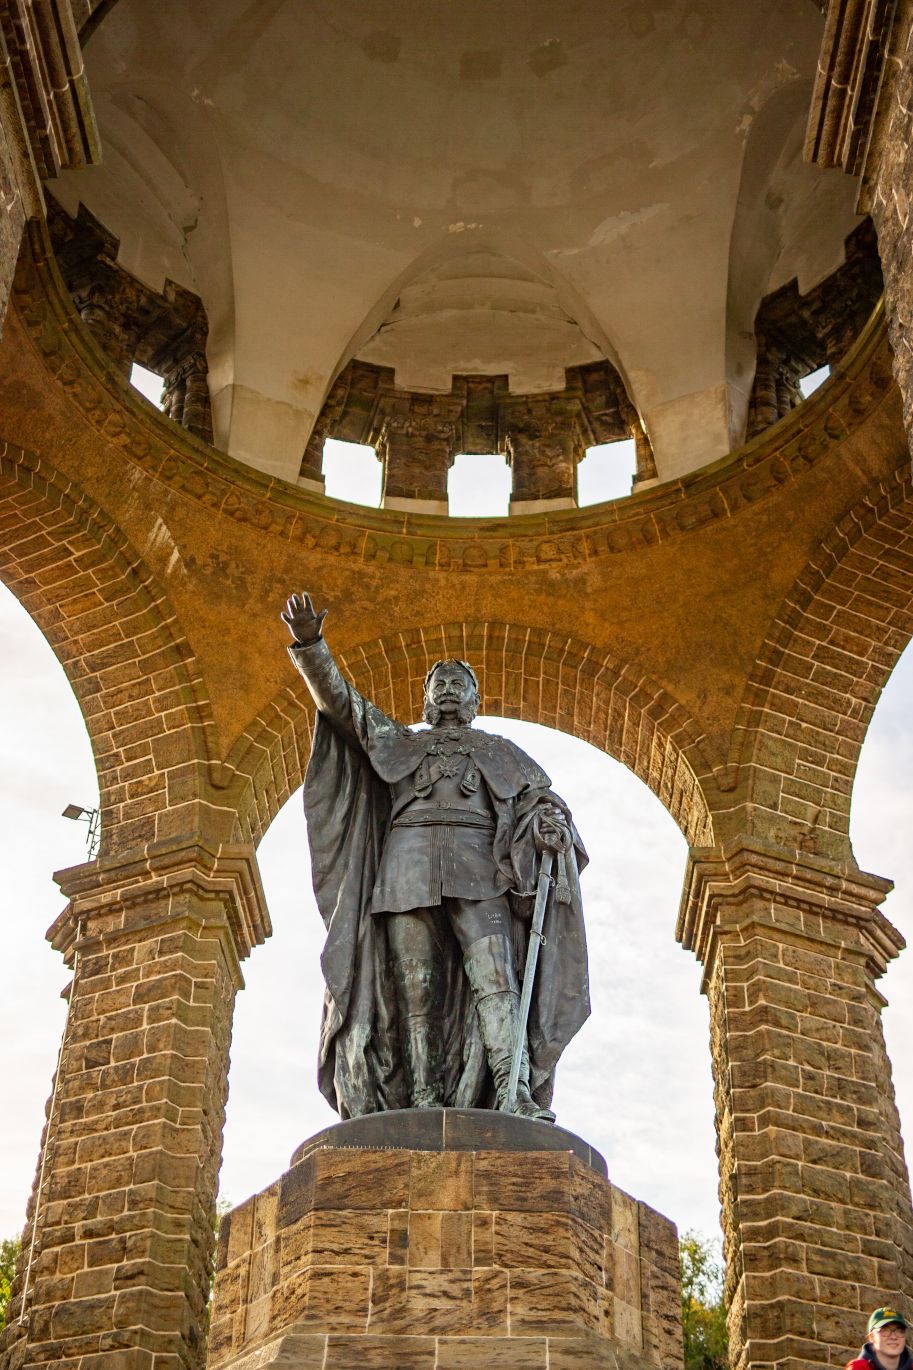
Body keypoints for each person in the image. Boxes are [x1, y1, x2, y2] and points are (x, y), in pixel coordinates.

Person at [282, 591, 590, 1123]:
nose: (449, 689)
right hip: (406, 869)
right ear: (425, 700)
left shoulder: (501, 751)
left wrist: (549, 821)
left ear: (475, 699)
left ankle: (513, 1091)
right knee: (413, 990)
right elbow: (343, 704)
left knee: (497, 980)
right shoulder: (398, 741)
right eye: (439, 684)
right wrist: (312, 646)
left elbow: (539, 799)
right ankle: (420, 1098)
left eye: (459, 684)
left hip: (480, 872)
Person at [846, 1309, 911, 1370]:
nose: (893, 1337)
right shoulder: (858, 1368)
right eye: (885, 1330)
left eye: (899, 1331)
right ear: (871, 1337)